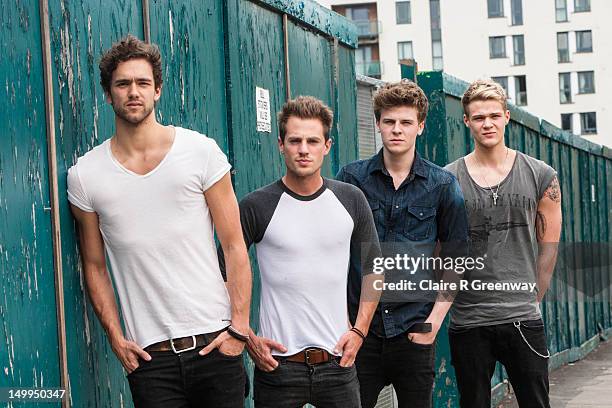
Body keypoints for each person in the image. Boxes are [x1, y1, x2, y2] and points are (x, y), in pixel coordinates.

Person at [67, 35, 252, 408]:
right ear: (108, 94)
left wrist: (239, 327)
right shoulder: (85, 175)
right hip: (150, 360)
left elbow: (234, 245)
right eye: (122, 84)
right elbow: (94, 265)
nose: (133, 92)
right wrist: (117, 338)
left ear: (158, 91)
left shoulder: (200, 152)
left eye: (142, 83)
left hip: (215, 344)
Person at [219, 96, 381, 408]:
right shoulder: (257, 205)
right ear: (281, 144)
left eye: (312, 140)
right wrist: (248, 337)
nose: (303, 149)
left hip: (338, 362)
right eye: (295, 141)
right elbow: (221, 272)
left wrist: (360, 331)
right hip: (277, 365)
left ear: (327, 145)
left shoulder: (351, 199)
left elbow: (374, 269)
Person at [336, 79, 469, 408]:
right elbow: (331, 251)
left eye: (406, 122)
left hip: (414, 328)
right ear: (378, 124)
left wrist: (433, 324)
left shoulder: (442, 185)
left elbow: (456, 259)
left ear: (420, 126)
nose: (397, 130)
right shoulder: (351, 179)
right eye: (390, 121)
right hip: (359, 330)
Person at [445, 79, 562, 408]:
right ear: (466, 121)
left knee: (536, 403)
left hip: (522, 317)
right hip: (469, 319)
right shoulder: (448, 179)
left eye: (494, 116)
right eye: (479, 117)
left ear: (506, 117)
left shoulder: (541, 175)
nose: (487, 124)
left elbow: (549, 245)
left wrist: (532, 297)